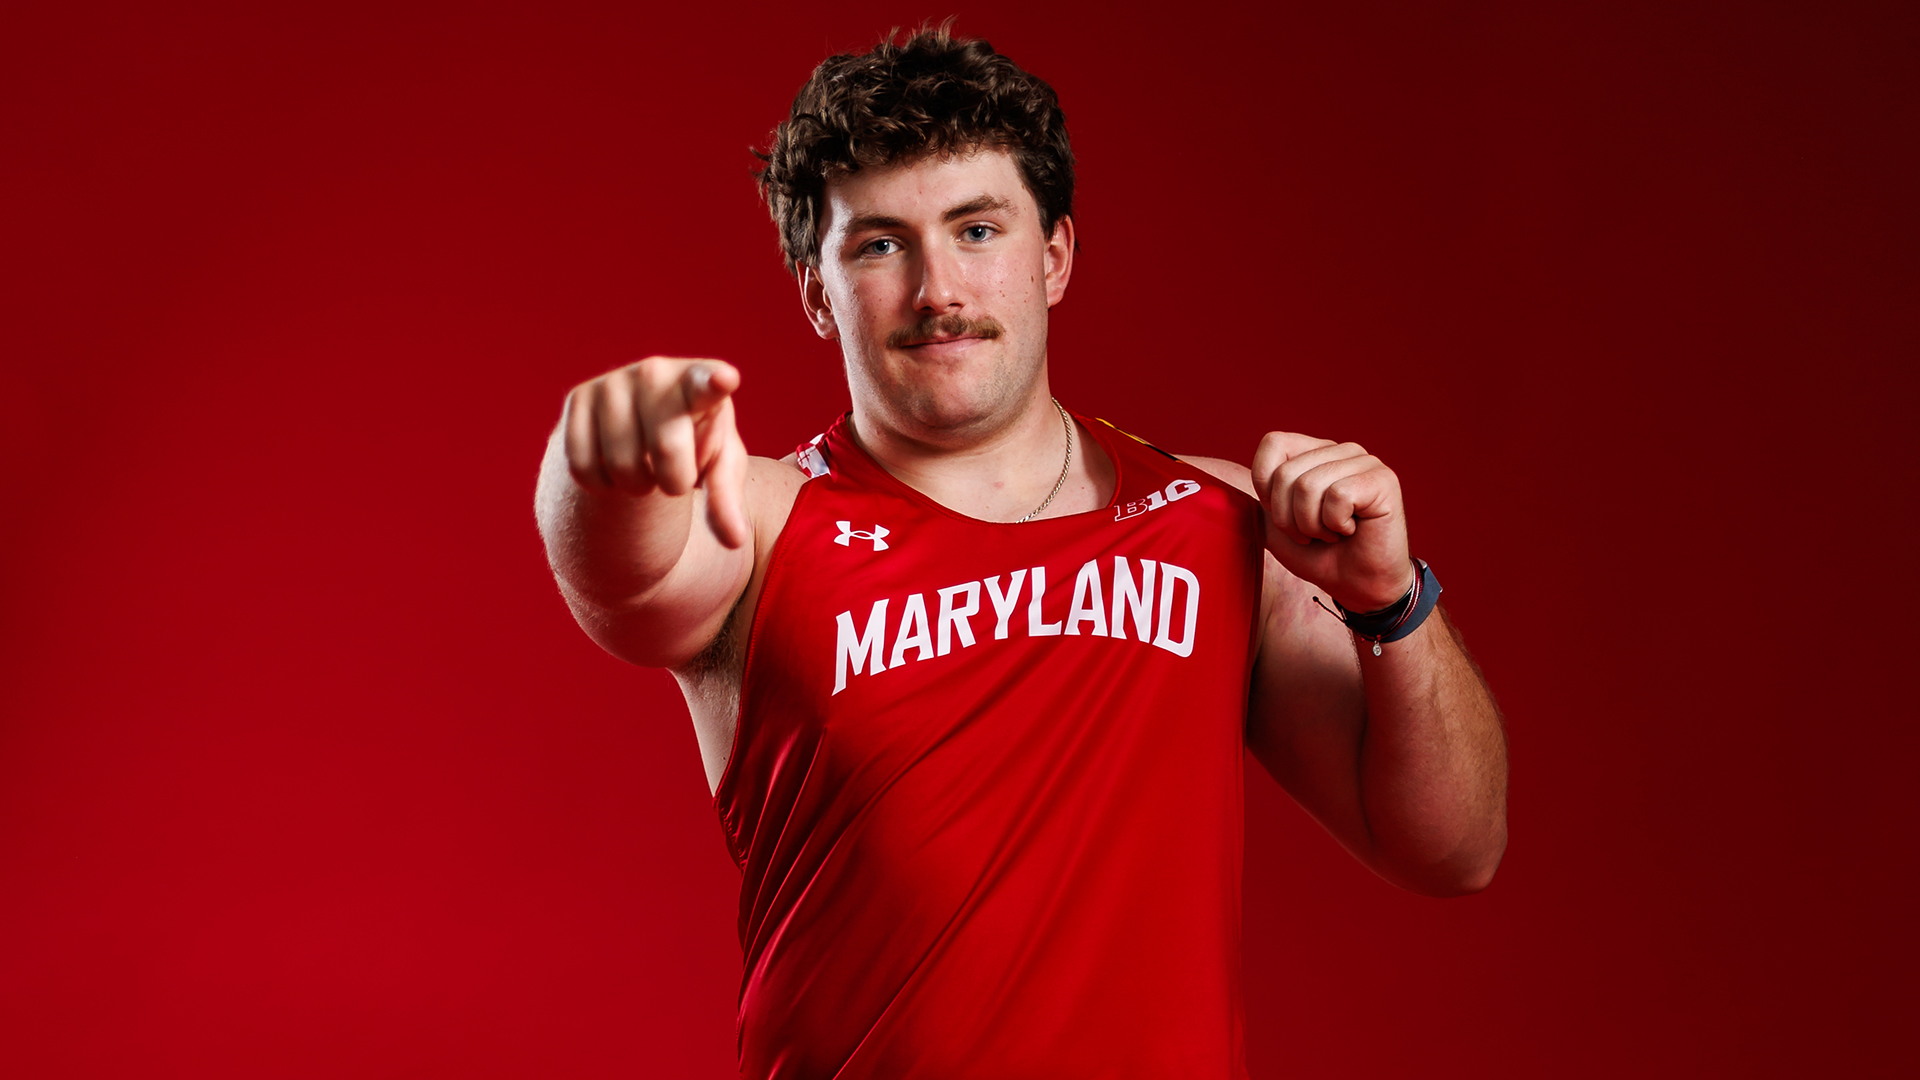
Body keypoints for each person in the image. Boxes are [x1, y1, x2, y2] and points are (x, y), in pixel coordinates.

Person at [534, 24, 1507, 1079]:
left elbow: (1453, 849)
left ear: (1055, 257)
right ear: (819, 293)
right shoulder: (764, 522)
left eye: (979, 229)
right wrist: (599, 466)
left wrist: (1392, 605)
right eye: (878, 244)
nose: (938, 288)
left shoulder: (1219, 521)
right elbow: (625, 579)